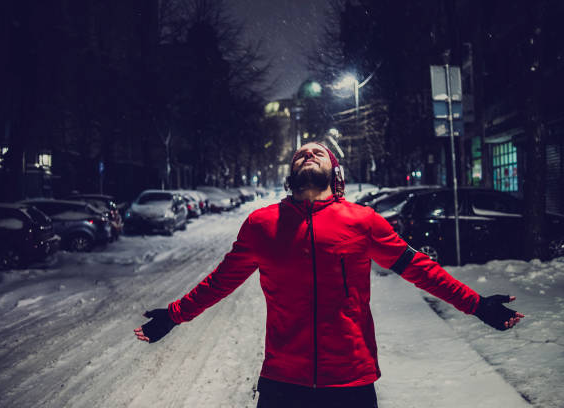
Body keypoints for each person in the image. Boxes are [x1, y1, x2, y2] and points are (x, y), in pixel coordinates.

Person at [134, 142, 525, 408]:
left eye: (318, 153)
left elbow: (418, 267)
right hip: (282, 382)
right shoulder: (262, 225)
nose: (309, 154)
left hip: (350, 382)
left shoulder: (363, 222)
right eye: (302, 154)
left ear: (334, 173)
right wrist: (173, 315)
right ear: (291, 173)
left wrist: (476, 305)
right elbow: (219, 282)